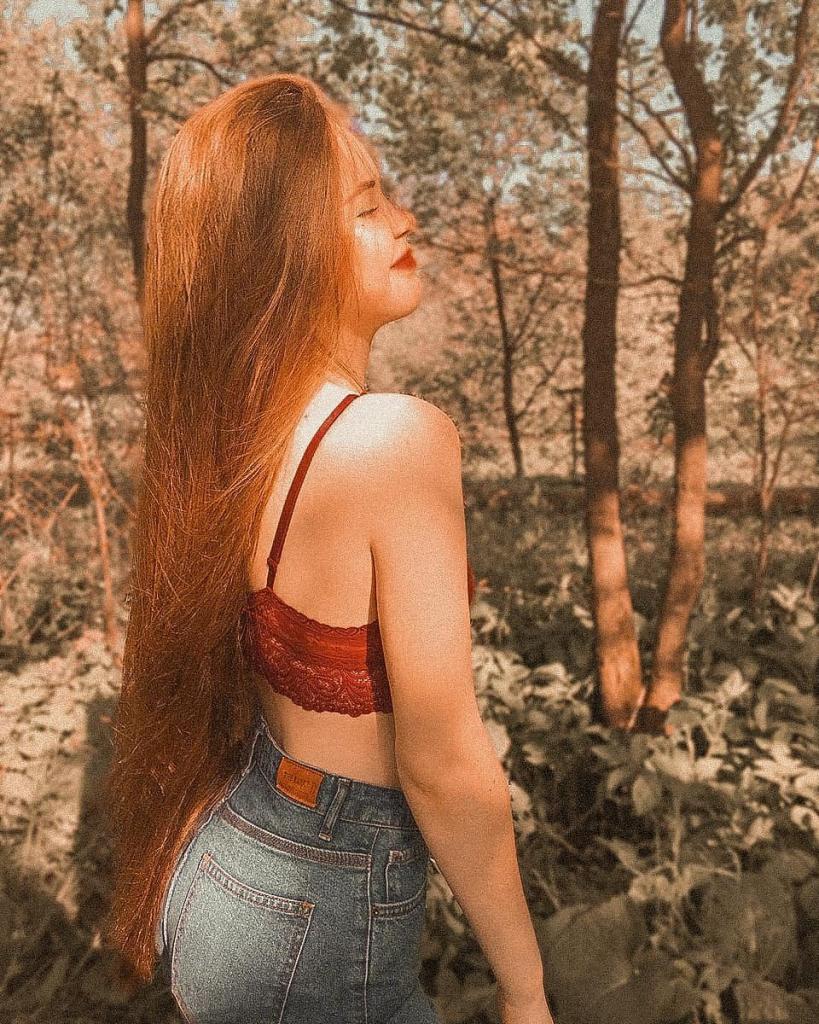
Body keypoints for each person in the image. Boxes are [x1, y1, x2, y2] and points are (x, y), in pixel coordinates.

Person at [105, 71, 554, 1024]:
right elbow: (443, 763)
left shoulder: (235, 437)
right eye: (367, 205)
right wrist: (526, 992)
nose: (405, 219)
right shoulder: (393, 440)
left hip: (229, 863)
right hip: (314, 914)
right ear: (287, 252)